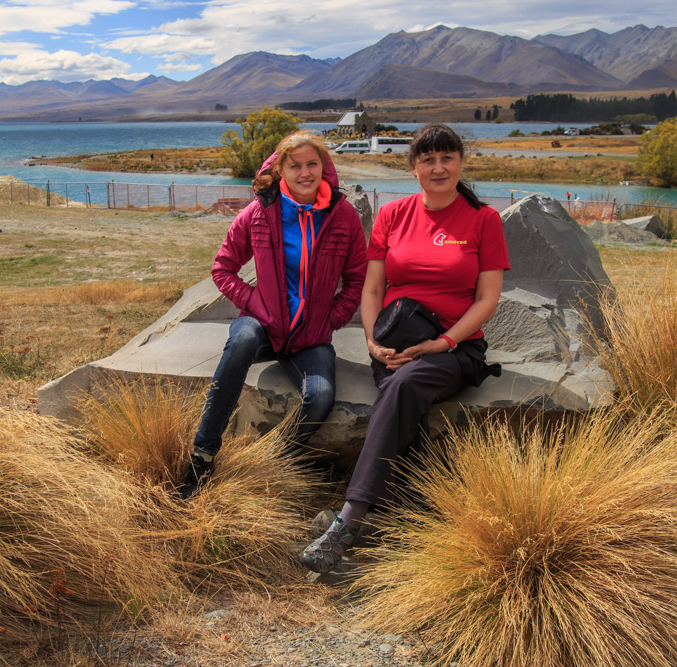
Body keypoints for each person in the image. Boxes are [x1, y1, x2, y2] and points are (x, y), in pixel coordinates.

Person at [299, 124, 510, 572]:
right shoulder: (393, 214)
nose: (438, 168)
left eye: (447, 158)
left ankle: (348, 521)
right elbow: (372, 288)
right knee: (399, 386)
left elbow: (488, 299)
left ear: (460, 163)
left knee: (403, 387)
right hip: (394, 344)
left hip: (454, 349)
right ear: (413, 167)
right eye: (428, 159)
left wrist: (443, 341)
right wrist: (373, 342)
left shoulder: (483, 219)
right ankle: (408, 518)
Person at [179, 132, 367, 497]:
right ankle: (203, 453)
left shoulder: (342, 216)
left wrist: (331, 319)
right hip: (263, 326)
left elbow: (357, 277)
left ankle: (271, 462)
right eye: (295, 165)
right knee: (242, 338)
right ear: (280, 169)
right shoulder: (259, 212)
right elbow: (223, 269)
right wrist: (254, 303)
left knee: (321, 396)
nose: (305, 173)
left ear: (324, 167)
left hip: (311, 338)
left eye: (312, 164)